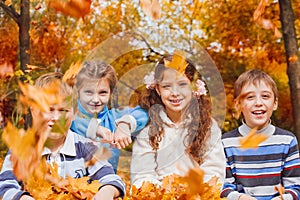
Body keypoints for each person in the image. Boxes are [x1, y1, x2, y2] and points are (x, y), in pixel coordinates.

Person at [0, 72, 125, 200]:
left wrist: (107, 192)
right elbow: (5, 186)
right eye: (49, 110)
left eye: (63, 111)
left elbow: (111, 178)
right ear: (33, 111)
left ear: (75, 113)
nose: (56, 118)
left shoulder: (86, 147)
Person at [130, 54, 226, 188]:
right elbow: (142, 176)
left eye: (182, 84)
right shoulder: (148, 129)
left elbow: (214, 172)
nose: (175, 93)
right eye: (167, 86)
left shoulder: (208, 127)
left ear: (193, 88)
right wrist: (168, 193)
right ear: (158, 89)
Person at [221, 69, 300, 200]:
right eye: (250, 97)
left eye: (265, 96)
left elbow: (296, 187)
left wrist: (282, 198)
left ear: (275, 103)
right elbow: (223, 187)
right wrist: (240, 198)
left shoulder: (287, 141)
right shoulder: (226, 143)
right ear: (238, 104)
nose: (258, 103)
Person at [70, 60, 148, 172]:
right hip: (70, 185)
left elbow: (145, 112)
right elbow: (67, 121)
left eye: (102, 93)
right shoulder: (68, 115)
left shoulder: (115, 118)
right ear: (78, 92)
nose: (96, 99)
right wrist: (94, 128)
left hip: (107, 185)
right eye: (89, 92)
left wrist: (126, 124)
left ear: (110, 93)